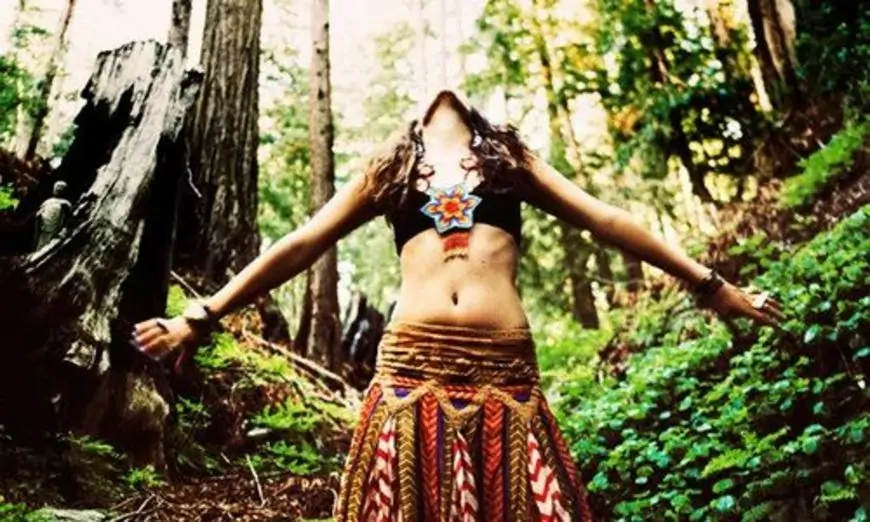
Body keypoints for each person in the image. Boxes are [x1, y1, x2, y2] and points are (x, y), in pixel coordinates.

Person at [133, 89, 785, 521]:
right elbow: (302, 243)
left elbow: (606, 219)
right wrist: (201, 314)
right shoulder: (389, 168)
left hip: (505, 376)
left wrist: (713, 287)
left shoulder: (510, 161)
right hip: (410, 375)